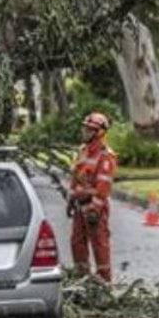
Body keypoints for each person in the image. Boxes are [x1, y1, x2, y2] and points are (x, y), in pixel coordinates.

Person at [68, 111, 118, 282]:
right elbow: (76, 176)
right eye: (85, 129)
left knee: (99, 243)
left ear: (100, 133)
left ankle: (104, 279)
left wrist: (94, 209)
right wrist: (71, 199)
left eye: (89, 130)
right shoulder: (83, 151)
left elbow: (103, 186)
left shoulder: (106, 156)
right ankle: (82, 277)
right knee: (77, 242)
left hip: (94, 207)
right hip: (79, 205)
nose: (85, 132)